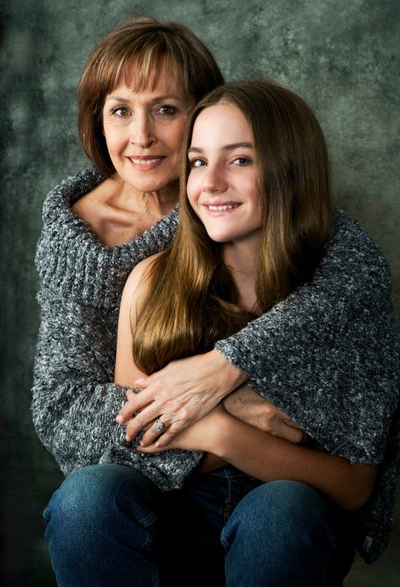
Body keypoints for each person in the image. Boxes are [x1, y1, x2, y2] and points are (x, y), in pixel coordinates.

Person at [43, 80, 400, 586]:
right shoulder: (151, 282)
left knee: (283, 510)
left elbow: (355, 486)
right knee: (87, 494)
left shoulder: (338, 295)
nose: (210, 183)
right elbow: (133, 439)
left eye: (240, 160)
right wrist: (230, 415)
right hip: (167, 515)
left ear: (289, 170)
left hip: (288, 520)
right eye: (197, 161)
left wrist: (214, 429)